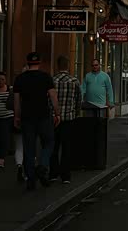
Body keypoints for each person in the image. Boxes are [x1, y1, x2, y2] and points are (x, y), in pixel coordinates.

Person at [13, 52, 61, 191]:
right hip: (43, 116)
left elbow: (17, 101)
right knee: (49, 142)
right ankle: (43, 166)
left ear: (28, 63)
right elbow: (53, 96)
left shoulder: (20, 79)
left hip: (27, 117)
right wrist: (57, 113)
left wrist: (17, 116)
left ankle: (31, 179)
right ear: (39, 63)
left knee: (29, 148)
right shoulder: (46, 77)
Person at [49, 55, 81, 184]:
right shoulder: (74, 81)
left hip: (54, 118)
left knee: (53, 146)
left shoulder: (52, 80)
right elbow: (78, 100)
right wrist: (76, 113)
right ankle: (65, 175)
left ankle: (53, 173)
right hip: (69, 118)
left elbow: (48, 100)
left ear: (57, 66)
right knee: (67, 147)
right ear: (68, 65)